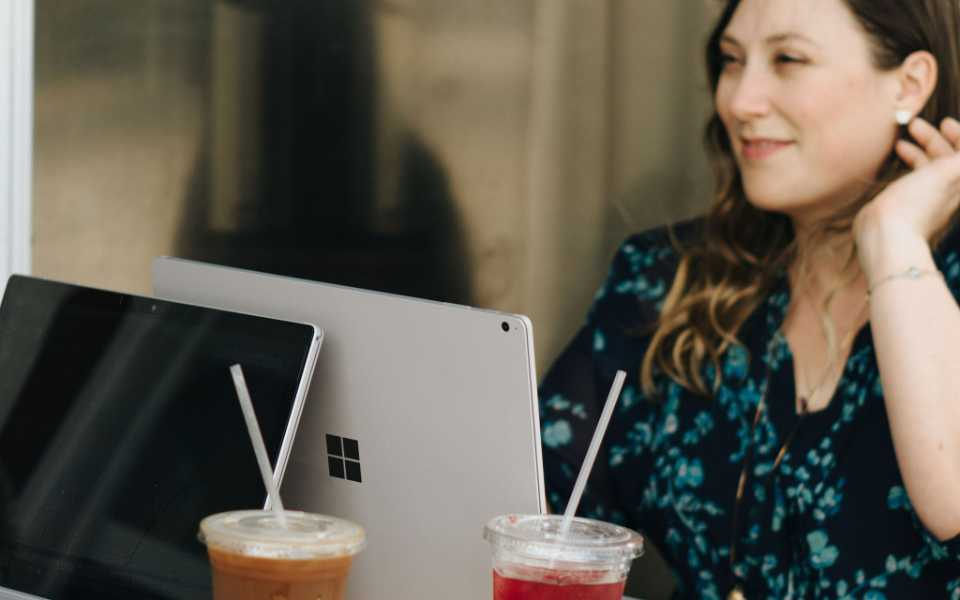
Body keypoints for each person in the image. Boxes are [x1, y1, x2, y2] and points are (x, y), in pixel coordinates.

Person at [538, 0, 960, 597]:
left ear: (911, 84)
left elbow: (954, 501)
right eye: (732, 61)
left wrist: (893, 237)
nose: (739, 100)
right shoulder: (664, 280)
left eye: (789, 59)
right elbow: (533, 502)